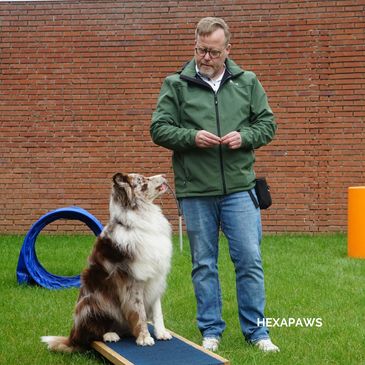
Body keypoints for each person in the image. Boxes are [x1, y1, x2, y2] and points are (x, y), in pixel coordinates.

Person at [150, 17, 279, 353]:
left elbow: (267, 124)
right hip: (196, 192)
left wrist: (246, 136)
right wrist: (191, 137)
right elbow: (159, 129)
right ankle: (211, 330)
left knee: (249, 260)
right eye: (200, 50)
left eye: (213, 52)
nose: (205, 57)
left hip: (240, 189)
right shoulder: (176, 84)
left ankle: (257, 332)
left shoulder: (248, 82)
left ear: (227, 50)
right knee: (204, 264)